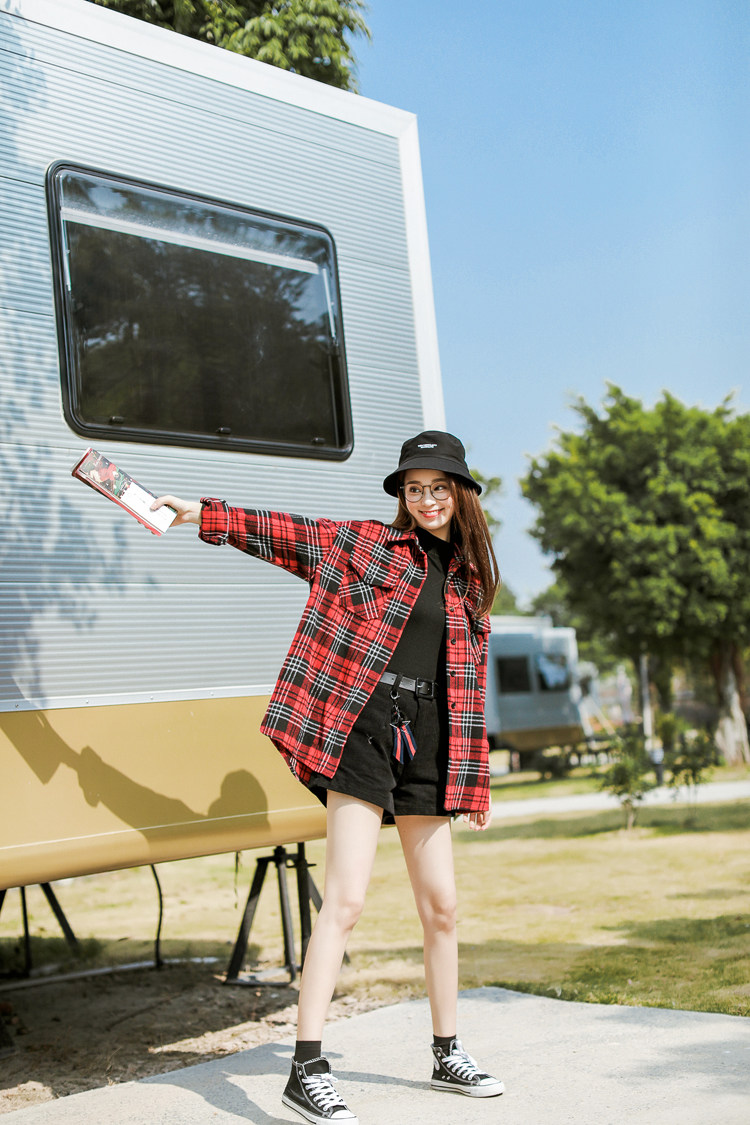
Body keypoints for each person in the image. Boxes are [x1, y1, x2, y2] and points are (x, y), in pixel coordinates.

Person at [152, 430, 504, 1124]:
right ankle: (305, 1067)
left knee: (443, 907)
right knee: (344, 899)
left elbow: (468, 688)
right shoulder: (368, 545)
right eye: (414, 488)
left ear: (460, 493)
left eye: (438, 487)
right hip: (365, 728)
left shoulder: (471, 582)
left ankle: (446, 1051)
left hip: (430, 742)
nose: (426, 499)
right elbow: (287, 533)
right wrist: (200, 512)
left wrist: (474, 777)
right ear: (403, 496)